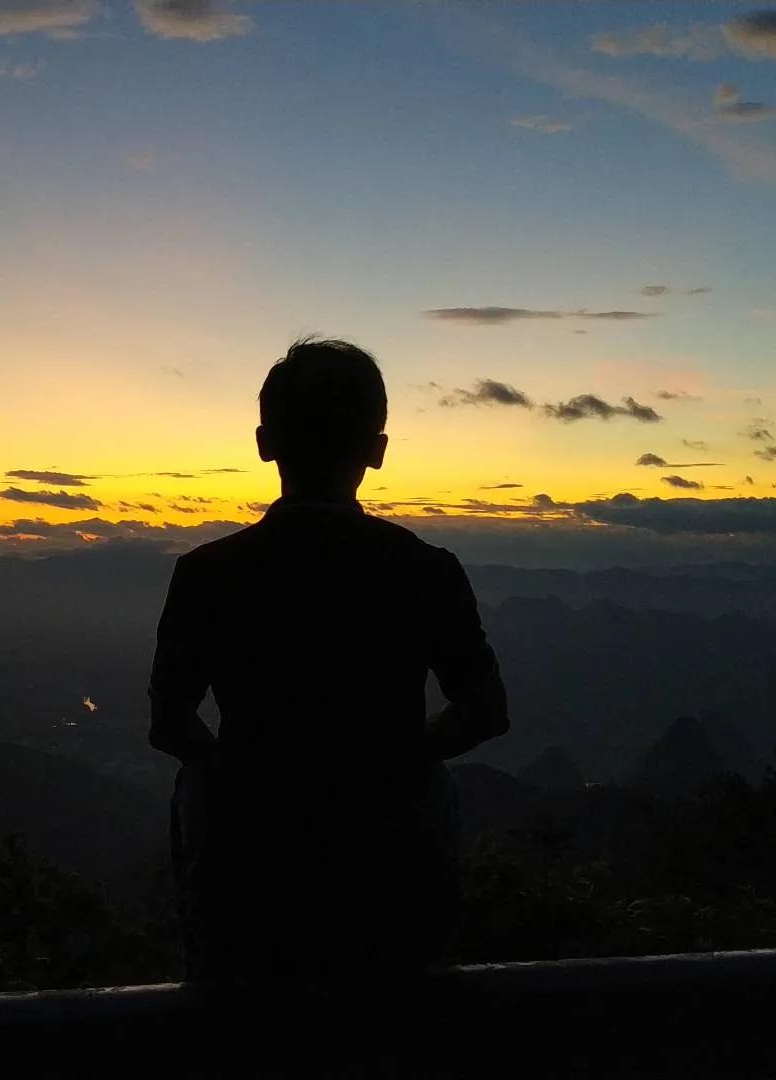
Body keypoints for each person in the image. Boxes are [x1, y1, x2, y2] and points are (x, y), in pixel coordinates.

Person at [148, 337, 509, 987]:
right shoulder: (425, 571)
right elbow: (485, 711)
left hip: (248, 877)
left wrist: (246, 774)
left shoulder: (208, 575)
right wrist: (395, 759)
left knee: (194, 790)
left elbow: (170, 724)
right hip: (390, 869)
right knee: (434, 788)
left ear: (265, 443)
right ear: (377, 450)